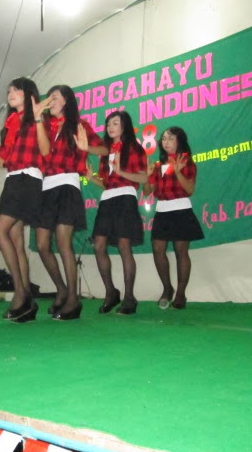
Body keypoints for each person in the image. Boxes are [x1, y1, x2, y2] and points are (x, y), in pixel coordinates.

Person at [0, 77, 51, 323]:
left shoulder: (36, 118)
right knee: (16, 241)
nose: (10, 93)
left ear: (29, 94)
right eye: (8, 90)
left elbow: (46, 151)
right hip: (13, 180)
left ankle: (21, 293)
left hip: (28, 179)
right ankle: (28, 301)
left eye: (16, 89)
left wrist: (38, 119)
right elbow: (2, 162)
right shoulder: (11, 123)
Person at [35, 85, 107, 321]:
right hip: (46, 186)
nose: (50, 101)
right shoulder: (44, 124)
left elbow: (105, 148)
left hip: (68, 184)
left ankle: (73, 300)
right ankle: (62, 289)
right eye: (49, 98)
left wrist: (87, 148)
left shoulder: (78, 125)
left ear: (66, 101)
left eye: (55, 97)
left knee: (63, 243)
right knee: (42, 244)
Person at [87, 110, 147, 315]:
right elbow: (106, 183)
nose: (110, 127)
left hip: (126, 197)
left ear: (124, 126)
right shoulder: (105, 152)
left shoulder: (134, 148)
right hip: (107, 199)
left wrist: (121, 171)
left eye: (115, 123)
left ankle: (129, 297)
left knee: (124, 245)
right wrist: (90, 177)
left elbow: (143, 178)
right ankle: (111, 291)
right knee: (98, 245)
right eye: (108, 124)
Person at [143, 126, 204, 309]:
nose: (166, 142)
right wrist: (146, 177)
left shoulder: (187, 163)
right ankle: (167, 288)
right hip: (162, 210)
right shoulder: (157, 165)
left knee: (181, 251)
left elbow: (190, 189)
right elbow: (147, 192)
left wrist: (177, 171)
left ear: (180, 141)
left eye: (170, 138)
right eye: (163, 139)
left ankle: (181, 294)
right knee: (157, 248)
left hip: (181, 209)